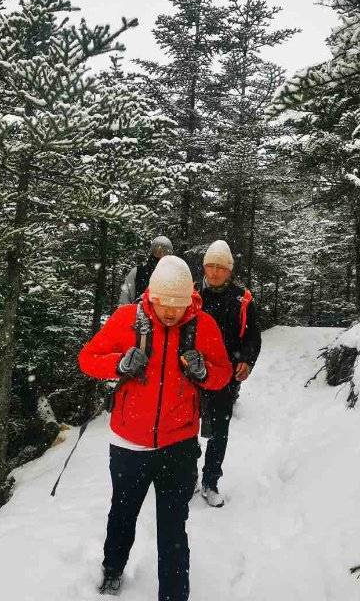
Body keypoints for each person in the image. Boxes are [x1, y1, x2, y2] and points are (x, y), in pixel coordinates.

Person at [78, 255, 232, 599]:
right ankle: (113, 569)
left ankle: (174, 594)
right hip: (129, 444)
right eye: (165, 304)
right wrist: (118, 363)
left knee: (174, 528)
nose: (171, 313)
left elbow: (222, 374)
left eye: (179, 305)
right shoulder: (127, 320)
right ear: (152, 295)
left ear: (189, 299)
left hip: (178, 445)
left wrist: (204, 371)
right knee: (122, 513)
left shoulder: (202, 325)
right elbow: (87, 359)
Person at [197, 240, 262, 507]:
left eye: (220, 268)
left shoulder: (241, 299)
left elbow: (252, 336)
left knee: (219, 431)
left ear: (229, 270)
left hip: (225, 377)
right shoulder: (190, 295)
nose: (214, 272)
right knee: (186, 430)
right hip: (191, 375)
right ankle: (187, 473)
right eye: (209, 266)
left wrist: (246, 360)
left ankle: (210, 481)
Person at [119, 235, 173, 305]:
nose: (161, 254)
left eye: (165, 251)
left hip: (169, 313)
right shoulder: (138, 271)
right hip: (140, 313)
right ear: (152, 251)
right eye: (157, 251)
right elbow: (125, 298)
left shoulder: (175, 273)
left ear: (170, 253)